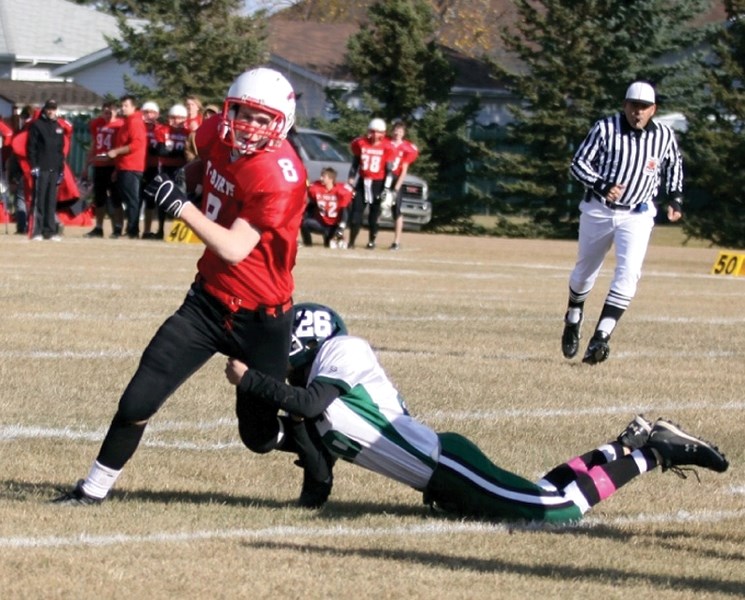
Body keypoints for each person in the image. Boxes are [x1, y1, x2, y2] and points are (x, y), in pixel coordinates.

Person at [53, 67, 331, 509]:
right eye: (243, 113)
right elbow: (205, 160)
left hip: (262, 317)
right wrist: (189, 177)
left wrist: (181, 205)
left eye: (262, 119)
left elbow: (236, 247)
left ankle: (313, 450)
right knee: (137, 399)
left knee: (256, 436)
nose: (249, 125)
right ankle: (91, 490)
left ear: (281, 123)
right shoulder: (216, 134)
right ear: (229, 108)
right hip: (207, 301)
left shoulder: (281, 174)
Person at [224, 302, 729, 520]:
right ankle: (626, 443)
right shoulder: (318, 390)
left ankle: (653, 452)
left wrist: (254, 381)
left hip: (447, 464)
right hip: (441, 478)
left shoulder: (343, 352)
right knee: (542, 494)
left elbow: (309, 404)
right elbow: (316, 467)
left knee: (558, 513)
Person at [561, 81, 684, 365]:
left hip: (638, 213)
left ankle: (601, 337)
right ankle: (574, 315)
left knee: (628, 274)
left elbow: (674, 164)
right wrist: (601, 184)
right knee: (584, 273)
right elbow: (578, 164)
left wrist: (676, 198)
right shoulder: (605, 128)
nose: (637, 112)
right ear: (624, 105)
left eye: (643, 108)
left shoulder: (664, 135)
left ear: (654, 110)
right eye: (633, 106)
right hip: (599, 209)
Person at [347, 118, 395, 249]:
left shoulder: (387, 146)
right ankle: (351, 242)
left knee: (374, 215)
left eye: (378, 132)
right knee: (356, 213)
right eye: (372, 132)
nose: (374, 135)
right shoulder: (360, 143)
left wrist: (386, 187)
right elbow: (355, 163)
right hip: (362, 182)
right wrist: (351, 177)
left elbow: (389, 170)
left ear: (383, 133)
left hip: (378, 183)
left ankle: (371, 241)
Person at [107, 94, 147, 239]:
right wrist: (117, 168)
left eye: (126, 106)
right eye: (122, 105)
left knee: (132, 200)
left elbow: (136, 144)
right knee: (127, 199)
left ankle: (133, 231)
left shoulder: (135, 122)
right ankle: (130, 229)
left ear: (134, 107)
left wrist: (116, 152)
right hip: (124, 166)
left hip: (132, 166)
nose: (123, 108)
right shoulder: (127, 122)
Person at [26, 99, 65, 241]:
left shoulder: (59, 127)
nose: (51, 111)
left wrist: (61, 169)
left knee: (51, 201)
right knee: (40, 200)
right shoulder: (37, 125)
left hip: (54, 169)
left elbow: (61, 151)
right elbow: (31, 147)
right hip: (41, 167)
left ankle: (50, 231)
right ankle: (37, 231)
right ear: (44, 109)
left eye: (53, 109)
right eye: (49, 108)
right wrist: (34, 165)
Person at [84, 101, 124, 238]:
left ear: (116, 112)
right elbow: (94, 144)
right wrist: (86, 165)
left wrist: (117, 168)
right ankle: (99, 227)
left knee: (116, 198)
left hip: (112, 165)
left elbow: (121, 147)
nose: (107, 115)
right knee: (99, 199)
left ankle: (118, 227)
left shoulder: (120, 125)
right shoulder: (97, 124)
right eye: (105, 112)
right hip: (99, 164)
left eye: (110, 112)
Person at [301, 167, 353, 248]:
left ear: (331, 179)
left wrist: (341, 228)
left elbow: (344, 210)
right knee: (303, 223)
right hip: (320, 224)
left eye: (324, 177)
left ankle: (337, 238)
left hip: (334, 226)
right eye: (321, 176)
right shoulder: (316, 187)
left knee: (328, 245)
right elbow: (312, 203)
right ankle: (308, 244)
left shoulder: (341, 191)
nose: (321, 178)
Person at [387, 121, 419, 251]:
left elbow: (404, 170)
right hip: (383, 178)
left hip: (395, 179)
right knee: (375, 207)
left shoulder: (407, 148)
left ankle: (396, 241)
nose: (397, 133)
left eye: (400, 131)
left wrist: (396, 187)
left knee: (397, 210)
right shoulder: (386, 143)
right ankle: (372, 238)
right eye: (395, 130)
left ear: (403, 133)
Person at [139, 101, 165, 240]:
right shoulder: (138, 127)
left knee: (150, 200)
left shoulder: (160, 129)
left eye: (152, 112)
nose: (149, 115)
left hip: (153, 167)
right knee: (136, 200)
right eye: (146, 112)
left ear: (157, 114)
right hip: (137, 166)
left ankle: (147, 230)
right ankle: (133, 228)